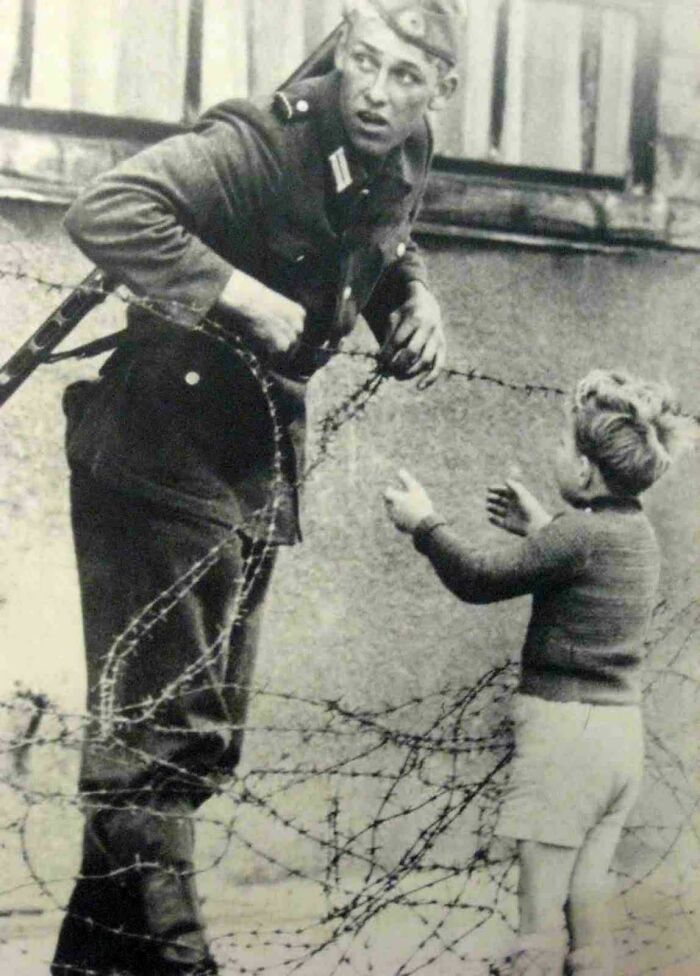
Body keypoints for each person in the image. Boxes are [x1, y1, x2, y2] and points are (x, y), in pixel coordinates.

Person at [50, 2, 463, 975]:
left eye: (406, 75)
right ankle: (187, 962)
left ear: (439, 91)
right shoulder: (261, 140)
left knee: (189, 744)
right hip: (160, 455)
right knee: (162, 741)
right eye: (362, 61)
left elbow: (386, 235)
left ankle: (90, 964)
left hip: (252, 470)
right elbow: (105, 209)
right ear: (341, 55)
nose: (375, 89)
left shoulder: (403, 152)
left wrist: (412, 299)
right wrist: (238, 294)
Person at [384, 369, 694, 976]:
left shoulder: (576, 535)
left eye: (563, 447)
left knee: (538, 920)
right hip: (618, 738)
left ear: (584, 470)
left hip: (565, 739)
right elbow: (586, 567)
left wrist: (424, 524)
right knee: (588, 900)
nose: (555, 454)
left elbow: (478, 579)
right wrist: (542, 530)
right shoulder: (636, 534)